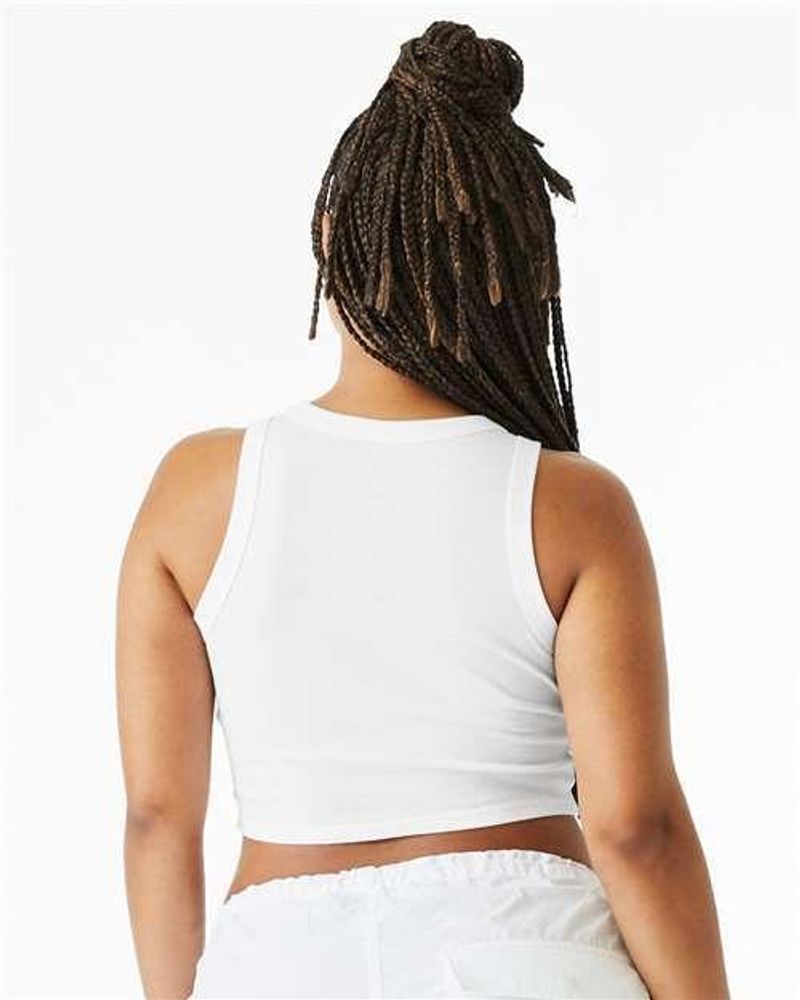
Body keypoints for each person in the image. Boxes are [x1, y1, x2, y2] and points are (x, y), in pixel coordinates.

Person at [116, 20, 730, 1000]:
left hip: (279, 963)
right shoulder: (570, 505)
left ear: (331, 234)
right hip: (523, 951)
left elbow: (158, 817)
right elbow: (634, 828)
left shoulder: (197, 491)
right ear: (520, 269)